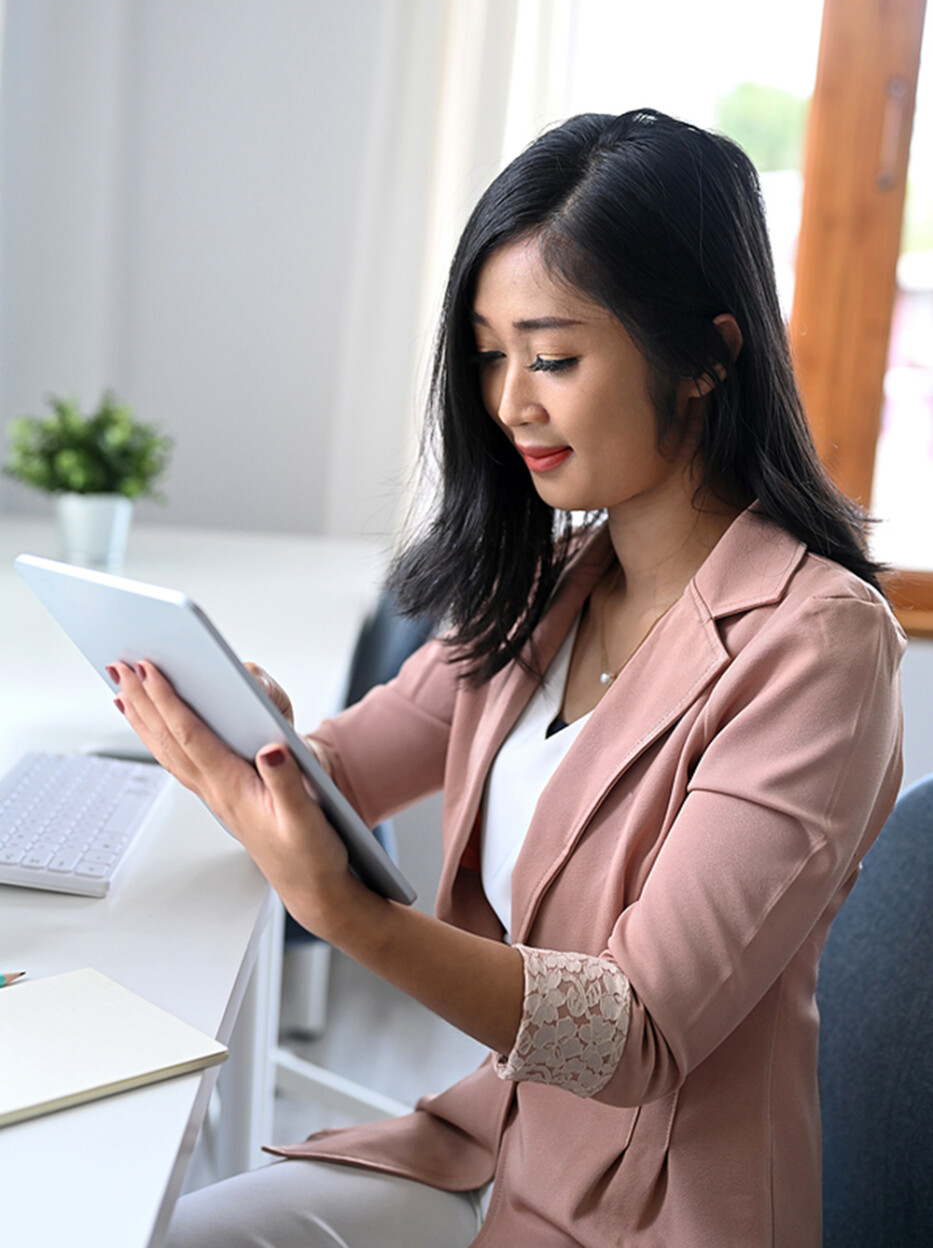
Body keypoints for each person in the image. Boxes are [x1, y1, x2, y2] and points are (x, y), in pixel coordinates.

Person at [112, 109, 905, 1247]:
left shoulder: (821, 644)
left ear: (707, 356)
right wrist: (255, 741)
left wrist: (347, 913)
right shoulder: (557, 578)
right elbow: (353, 762)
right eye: (491, 353)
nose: (509, 401)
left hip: (655, 1212)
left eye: (554, 356)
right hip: (494, 1147)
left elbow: (632, 1029)